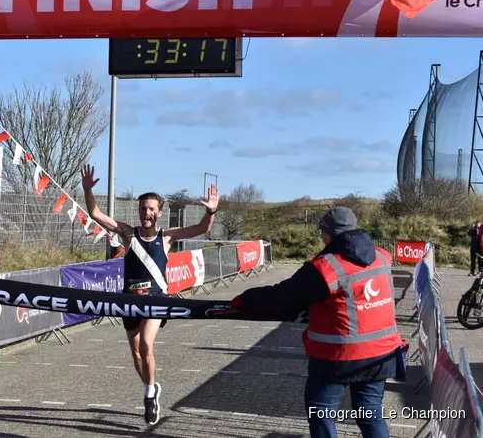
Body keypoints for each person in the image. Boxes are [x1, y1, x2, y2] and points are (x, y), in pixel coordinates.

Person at [226, 207, 405, 438]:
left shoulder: (326, 267)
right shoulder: (382, 255)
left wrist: (245, 299)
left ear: (327, 232)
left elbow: (283, 296)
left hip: (338, 358)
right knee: (370, 414)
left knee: (320, 410)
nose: (320, 237)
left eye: (321, 232)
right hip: (382, 354)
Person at [80, 164, 218, 425]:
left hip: (156, 300)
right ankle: (151, 387)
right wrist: (88, 190)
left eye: (152, 209)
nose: (147, 213)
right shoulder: (128, 233)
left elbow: (202, 228)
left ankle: (148, 396)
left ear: (159, 213)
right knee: (136, 354)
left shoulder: (167, 237)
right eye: (143, 208)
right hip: (129, 301)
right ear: (139, 211)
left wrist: (211, 211)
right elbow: (95, 213)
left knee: (146, 344)